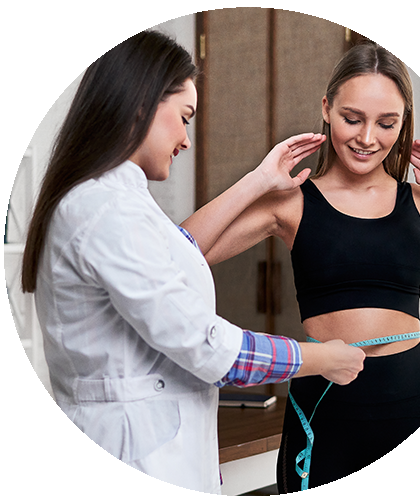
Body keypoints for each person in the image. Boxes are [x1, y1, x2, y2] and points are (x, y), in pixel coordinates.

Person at [20, 31, 366, 494]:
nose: (186, 139)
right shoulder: (106, 209)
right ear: (141, 104)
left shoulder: (116, 201)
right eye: (184, 117)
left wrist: (260, 180)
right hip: (135, 453)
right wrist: (321, 357)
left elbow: (178, 251)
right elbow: (212, 350)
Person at [181, 41, 420, 492]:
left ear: (404, 122)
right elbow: (173, 254)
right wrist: (257, 181)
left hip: (413, 401)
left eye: (387, 123)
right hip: (325, 403)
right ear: (326, 109)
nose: (367, 138)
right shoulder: (291, 204)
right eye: (352, 118)